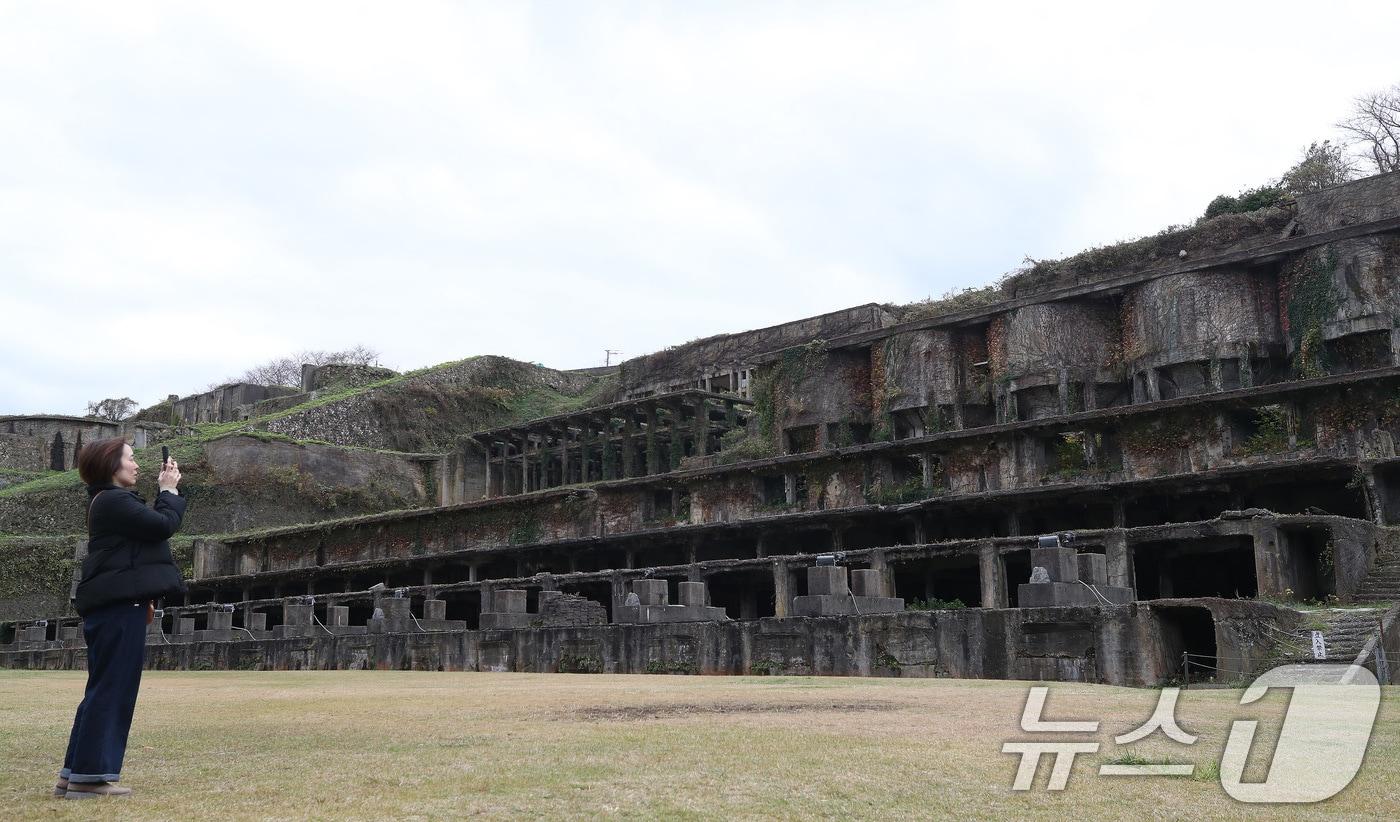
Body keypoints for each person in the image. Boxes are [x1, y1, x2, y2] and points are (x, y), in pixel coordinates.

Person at [55, 437, 185, 799]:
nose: (137, 465)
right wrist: (169, 491)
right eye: (131, 458)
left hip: (116, 606)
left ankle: (75, 773)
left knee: (102, 688)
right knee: (113, 689)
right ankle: (89, 776)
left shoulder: (109, 502)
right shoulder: (112, 501)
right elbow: (162, 525)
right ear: (112, 464)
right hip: (115, 608)